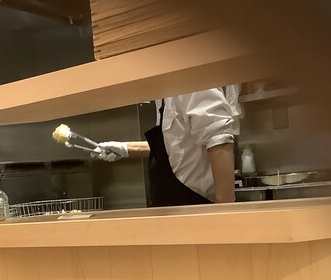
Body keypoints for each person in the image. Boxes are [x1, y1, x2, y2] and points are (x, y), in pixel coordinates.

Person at [94, 86, 240, 207]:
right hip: (171, 207)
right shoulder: (163, 97)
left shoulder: (190, 83)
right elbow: (172, 147)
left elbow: (219, 140)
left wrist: (224, 211)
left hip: (195, 206)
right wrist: (125, 149)